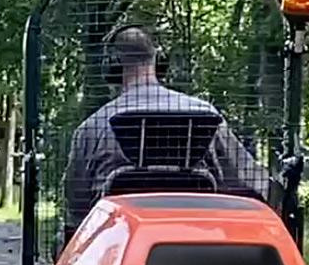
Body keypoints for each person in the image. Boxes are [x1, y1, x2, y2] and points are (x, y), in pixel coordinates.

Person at [62, 26, 269, 231]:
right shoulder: (205, 116)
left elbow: (76, 206)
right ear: (158, 61)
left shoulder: (93, 127)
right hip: (194, 241)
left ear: (113, 66)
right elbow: (251, 182)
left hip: (119, 245)